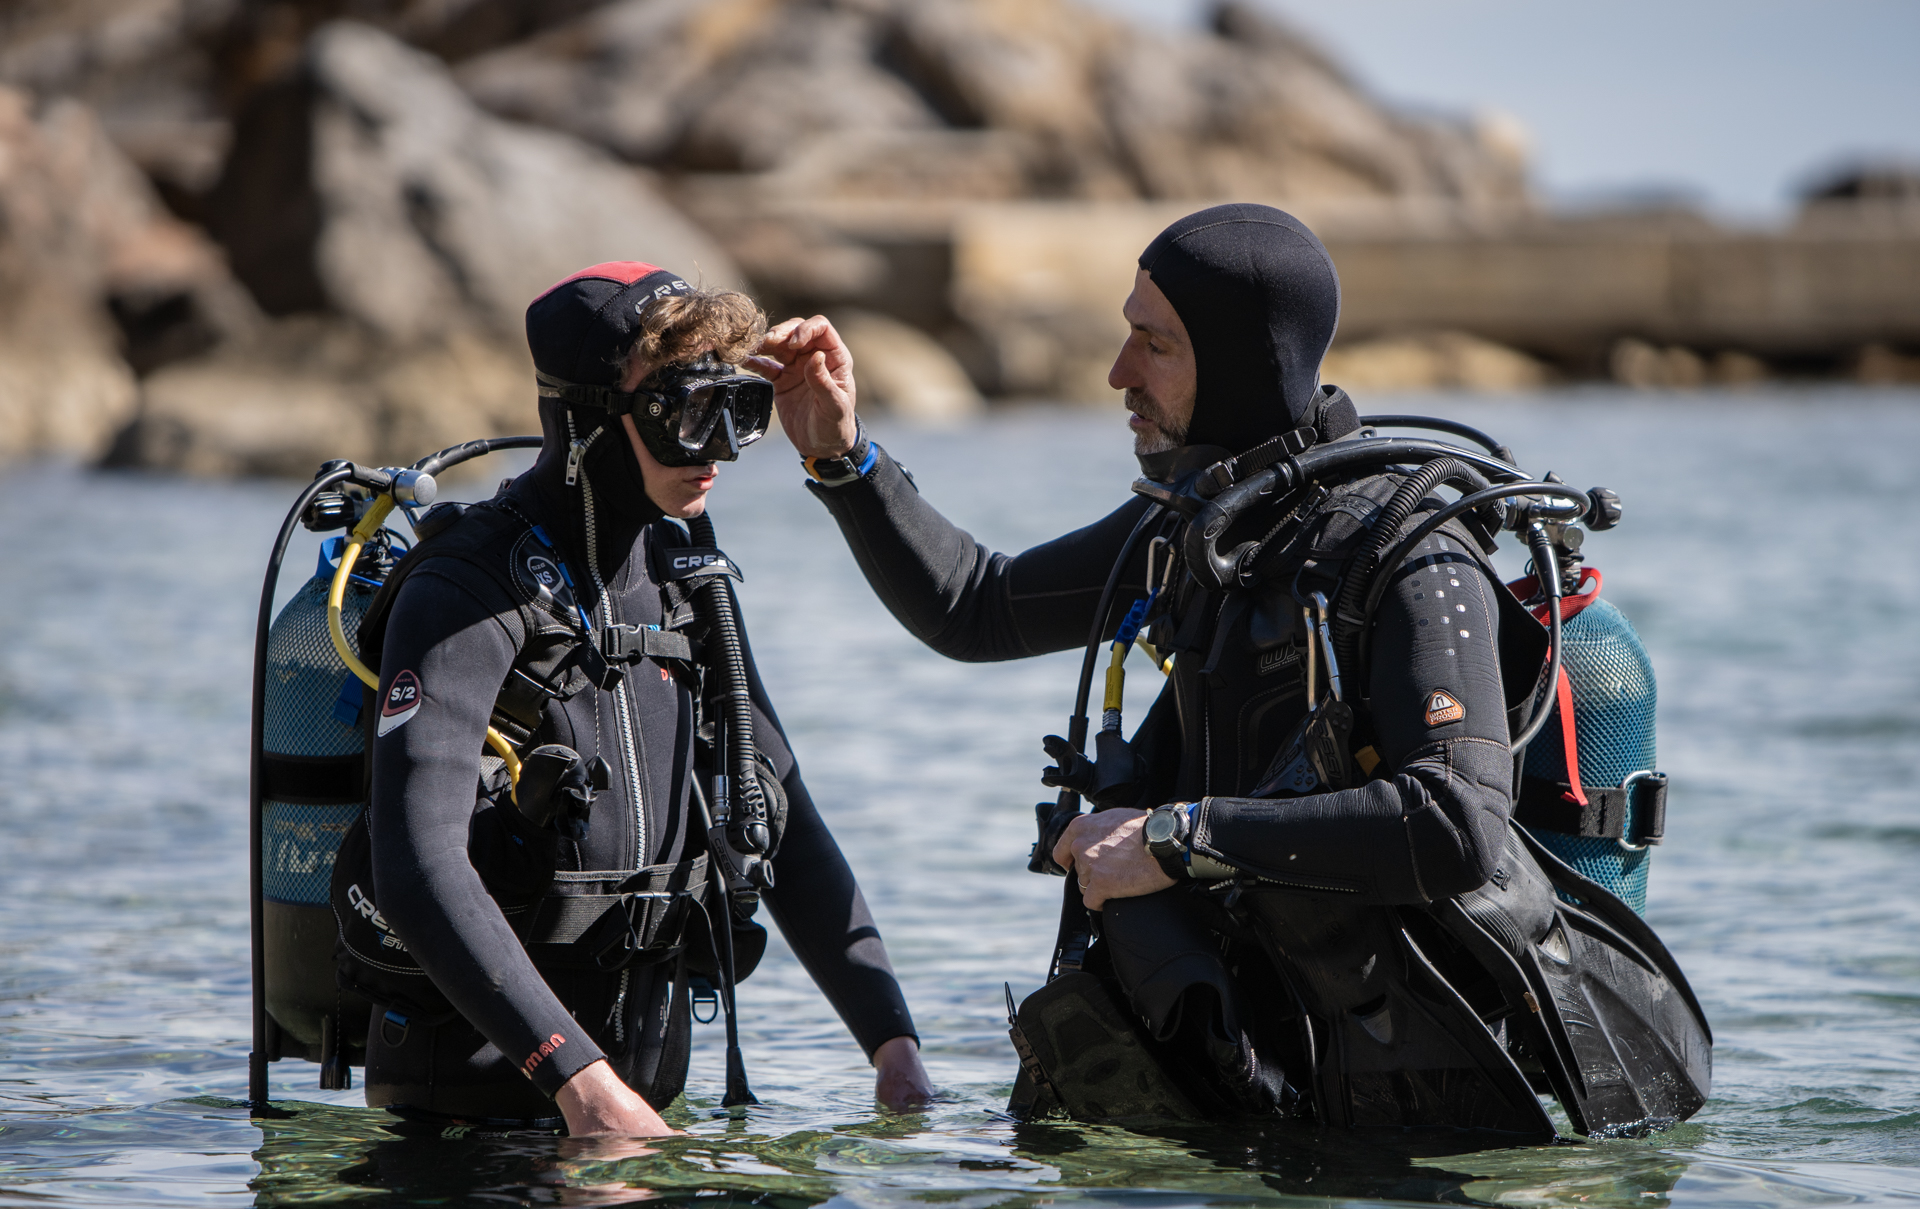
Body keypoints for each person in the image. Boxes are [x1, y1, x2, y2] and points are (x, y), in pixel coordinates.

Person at [749, 204, 1709, 1134]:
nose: (1119, 371)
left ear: (1246, 362)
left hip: (1438, 1115)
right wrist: (843, 460)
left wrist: (1174, 837)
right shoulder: (1201, 531)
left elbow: (1453, 822)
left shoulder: (1409, 554)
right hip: (1278, 1072)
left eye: (1155, 345)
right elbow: (978, 607)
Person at [344, 261, 932, 1136]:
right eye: (686, 412)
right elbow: (416, 864)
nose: (716, 451)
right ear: (588, 418)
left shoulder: (684, 580)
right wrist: (581, 1083)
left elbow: (781, 812)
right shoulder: (465, 593)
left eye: (733, 410)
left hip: (639, 1116)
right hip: (472, 1131)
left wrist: (894, 1050)